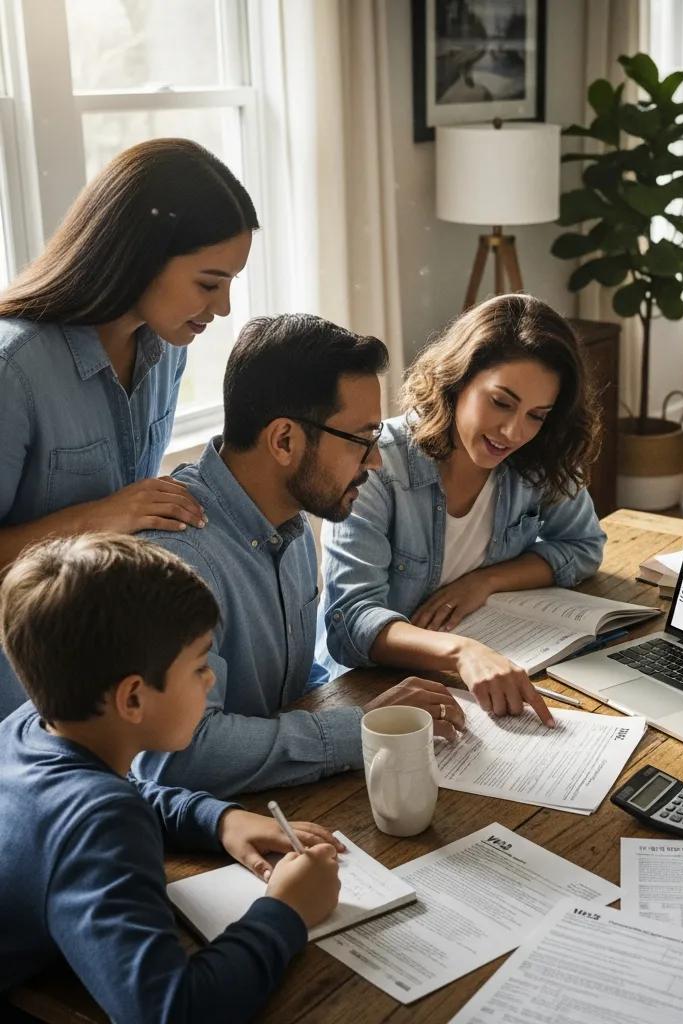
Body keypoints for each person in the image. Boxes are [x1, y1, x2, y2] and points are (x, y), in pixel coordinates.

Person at [0, 534, 343, 1022]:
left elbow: (120, 791)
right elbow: (172, 1011)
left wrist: (218, 819)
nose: (210, 679)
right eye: (200, 666)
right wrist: (287, 910)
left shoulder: (30, 725)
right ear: (133, 699)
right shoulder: (100, 822)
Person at [134, 313, 465, 798]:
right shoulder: (177, 559)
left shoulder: (288, 519)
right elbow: (178, 754)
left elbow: (294, 687)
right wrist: (362, 729)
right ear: (284, 440)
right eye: (361, 441)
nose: (375, 461)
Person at [0, 138, 258, 717]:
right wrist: (100, 517)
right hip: (21, 704)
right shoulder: (12, 370)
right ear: (139, 257)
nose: (222, 308)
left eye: (230, 284)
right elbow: (115, 512)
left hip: (111, 687)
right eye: (208, 283)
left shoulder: (167, 350)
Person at [314, 294, 606, 724]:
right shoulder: (378, 465)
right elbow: (352, 621)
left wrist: (485, 582)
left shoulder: (537, 455)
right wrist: (462, 652)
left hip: (482, 673)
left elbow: (583, 546)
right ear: (457, 380)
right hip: (368, 693)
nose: (514, 432)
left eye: (537, 415)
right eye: (501, 402)